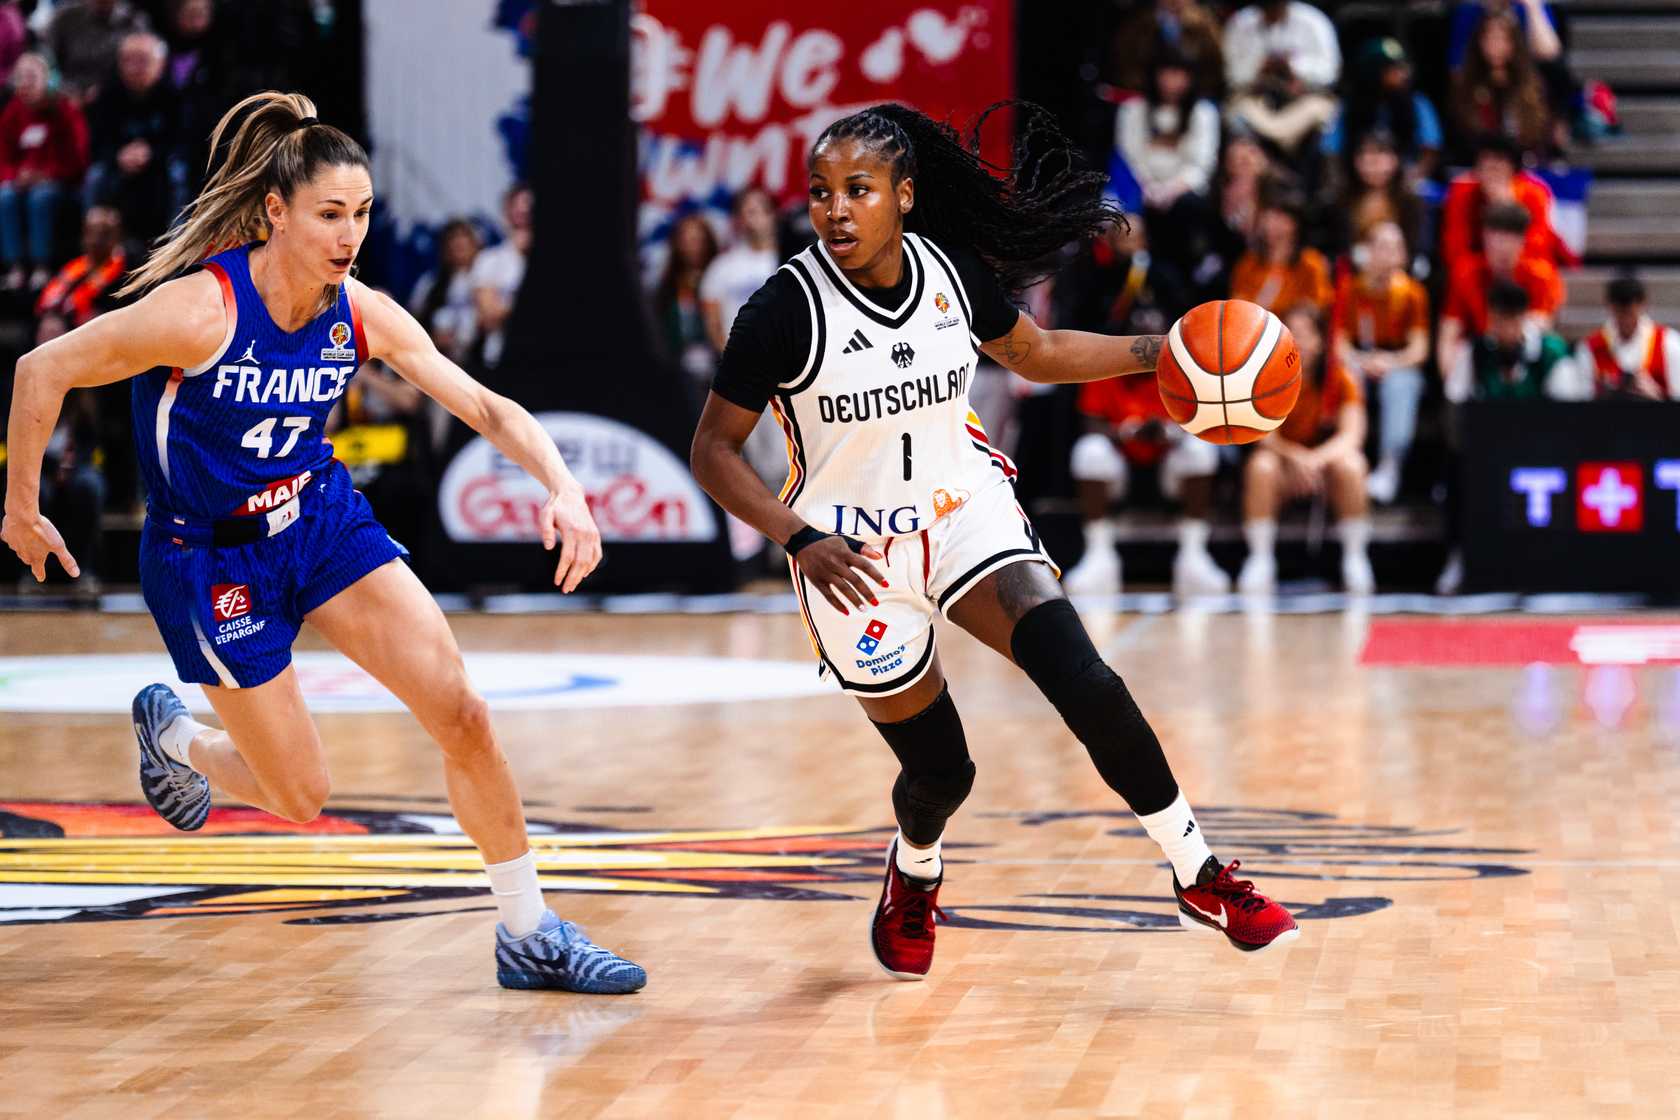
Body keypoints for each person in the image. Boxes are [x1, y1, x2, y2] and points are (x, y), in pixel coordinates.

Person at [0, 92, 644, 994]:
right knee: (301, 796)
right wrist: (21, 509)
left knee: (463, 712)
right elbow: (42, 368)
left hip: (317, 517)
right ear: (277, 211)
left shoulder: (358, 311)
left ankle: (529, 931)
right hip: (208, 558)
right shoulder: (200, 311)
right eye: (330, 214)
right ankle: (177, 737)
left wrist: (564, 487)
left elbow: (484, 404)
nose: (350, 236)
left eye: (363, 213)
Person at [690, 102, 1300, 980]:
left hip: (963, 514)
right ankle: (916, 868)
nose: (836, 210)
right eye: (821, 192)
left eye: (858, 190)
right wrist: (797, 538)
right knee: (943, 773)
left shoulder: (951, 272)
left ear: (904, 195)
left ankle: (1197, 873)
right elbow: (712, 451)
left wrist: (1161, 351)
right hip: (849, 558)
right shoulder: (782, 310)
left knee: (1083, 678)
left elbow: (1037, 352)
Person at [1054, 216, 1225, 596]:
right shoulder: (1108, 362)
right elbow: (1089, 421)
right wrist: (1126, 431)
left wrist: (1171, 432)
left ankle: (1194, 557)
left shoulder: (1184, 368)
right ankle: (1099, 557)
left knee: (1202, 450)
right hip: (1121, 459)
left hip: (1169, 460)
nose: (1147, 334)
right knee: (1088, 452)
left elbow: (1204, 419)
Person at [1237, 303, 1374, 595]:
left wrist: (1314, 460)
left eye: (1304, 335)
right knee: (1261, 465)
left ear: (1321, 341)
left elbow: (1352, 434)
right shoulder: (1263, 378)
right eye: (1290, 335)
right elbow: (1262, 434)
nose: (1296, 342)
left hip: (1325, 469)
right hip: (1285, 466)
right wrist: (1296, 457)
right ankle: (1260, 558)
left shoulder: (1340, 377)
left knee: (1352, 465)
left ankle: (1355, 558)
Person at [1332, 221, 1429, 504]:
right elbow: (1339, 343)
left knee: (1402, 384)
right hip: (1360, 359)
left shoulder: (1412, 293)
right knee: (1347, 376)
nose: (1391, 254)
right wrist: (1360, 360)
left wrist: (1391, 361)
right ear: (1367, 251)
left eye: (1397, 248)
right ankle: (1348, 457)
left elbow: (1419, 349)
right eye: (1383, 247)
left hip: (1395, 362)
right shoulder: (1350, 289)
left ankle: (1389, 467)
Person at [1116, 44, 1221, 272]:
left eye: (1179, 74)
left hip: (1185, 196)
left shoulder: (1203, 112)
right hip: (1139, 193)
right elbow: (1129, 158)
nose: (1172, 82)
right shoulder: (1133, 109)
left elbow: (1201, 166)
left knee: (1184, 211)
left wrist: (1169, 191)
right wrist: (1148, 188)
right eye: (1166, 73)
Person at [83, 31, 189, 245]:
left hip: (162, 161)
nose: (134, 68)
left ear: (160, 64)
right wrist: (119, 155)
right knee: (94, 176)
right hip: (119, 162)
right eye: (128, 60)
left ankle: (174, 246)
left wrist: (151, 153)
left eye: (143, 60)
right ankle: (94, 247)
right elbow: (98, 141)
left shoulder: (175, 95)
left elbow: (182, 140)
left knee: (178, 173)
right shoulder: (108, 94)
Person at [1438, 201, 1564, 377]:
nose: (1504, 249)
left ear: (1523, 241)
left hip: (1526, 357)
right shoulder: (1465, 273)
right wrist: (1451, 382)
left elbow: (1541, 325)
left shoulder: (1542, 275)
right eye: (1497, 241)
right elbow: (1449, 331)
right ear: (1484, 238)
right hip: (1479, 360)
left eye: (1510, 241)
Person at [0, 52, 90, 291]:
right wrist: (14, 176)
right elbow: (4, 157)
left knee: (40, 197)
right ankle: (15, 267)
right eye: (19, 78)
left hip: (61, 182)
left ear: (49, 79)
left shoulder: (66, 110)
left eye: (31, 77)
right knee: (5, 196)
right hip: (23, 182)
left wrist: (46, 174)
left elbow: (77, 158)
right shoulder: (13, 112)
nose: (24, 84)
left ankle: (42, 265)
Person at [1223, 0, 1342, 156]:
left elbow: (1330, 72)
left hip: (1304, 99)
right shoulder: (1240, 23)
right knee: (1237, 111)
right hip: (1257, 100)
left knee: (1324, 111)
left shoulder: (1313, 21)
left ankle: (1281, 149)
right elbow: (1231, 75)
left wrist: (1294, 66)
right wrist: (1259, 68)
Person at [1438, 132, 1564, 276]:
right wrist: (1487, 265)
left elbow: (1539, 246)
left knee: (1541, 273)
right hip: (1477, 270)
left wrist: (1508, 207)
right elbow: (1454, 249)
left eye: (1499, 160)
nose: (1492, 166)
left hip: (1522, 266)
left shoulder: (1533, 195)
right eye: (1486, 159)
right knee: (1462, 272)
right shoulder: (1462, 192)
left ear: (1513, 168)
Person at [1324, 37, 1443, 183]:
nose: (1403, 74)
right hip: (1357, 181)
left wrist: (1412, 178)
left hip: (1405, 181)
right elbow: (1330, 150)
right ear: (1374, 71)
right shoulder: (1349, 105)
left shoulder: (1416, 103)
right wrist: (1341, 182)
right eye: (1394, 68)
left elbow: (1431, 148)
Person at [1449, 8, 1555, 159]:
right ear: (1479, 42)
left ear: (1513, 44)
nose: (1495, 46)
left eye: (1501, 39)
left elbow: (1537, 132)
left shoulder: (1531, 85)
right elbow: (1464, 135)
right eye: (1490, 38)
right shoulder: (1467, 86)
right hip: (1480, 162)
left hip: (1521, 161)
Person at [1573, 275, 1680, 400]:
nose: (1625, 321)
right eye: (1620, 313)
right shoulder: (1590, 348)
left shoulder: (1668, 342)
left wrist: (1657, 395)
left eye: (1630, 313)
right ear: (1610, 307)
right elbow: (1583, 399)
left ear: (1642, 305)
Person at [1228, 190, 1332, 315]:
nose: (1269, 223)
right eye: (1266, 215)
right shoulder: (1249, 262)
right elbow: (1237, 306)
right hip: (1255, 324)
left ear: (1293, 223)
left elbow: (1320, 305)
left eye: (1278, 216)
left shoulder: (1309, 263)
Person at [654, 211, 720, 397]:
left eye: (697, 239)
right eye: (686, 240)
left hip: (716, 367)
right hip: (679, 369)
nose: (692, 246)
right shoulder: (667, 285)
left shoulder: (719, 276)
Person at [469, 181, 532, 372]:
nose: (524, 216)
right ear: (507, 214)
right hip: (503, 358)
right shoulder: (489, 260)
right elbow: (489, 316)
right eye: (518, 212)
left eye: (530, 211)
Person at [36, 204, 126, 328]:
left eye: (104, 234)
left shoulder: (125, 269)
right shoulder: (74, 266)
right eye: (91, 232)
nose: (96, 240)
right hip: (63, 326)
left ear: (117, 236)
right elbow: (46, 301)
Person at [44, 0, 150, 103]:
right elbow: (47, 59)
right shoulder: (66, 18)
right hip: (68, 92)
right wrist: (63, 88)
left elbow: (142, 66)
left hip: (117, 94)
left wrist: (104, 89)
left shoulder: (134, 21)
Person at [409, 217, 481, 367]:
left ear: (475, 244)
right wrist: (433, 339)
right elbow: (413, 322)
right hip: (437, 360)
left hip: (477, 357)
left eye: (464, 237)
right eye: (453, 238)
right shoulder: (430, 284)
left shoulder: (487, 279)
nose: (459, 242)